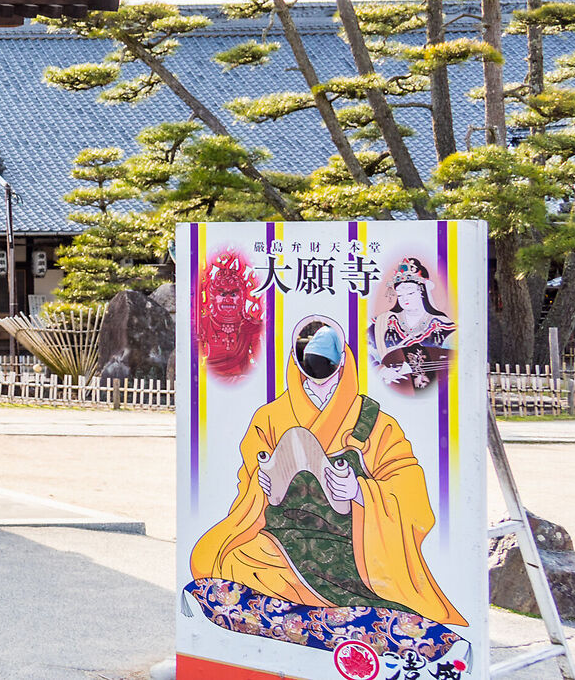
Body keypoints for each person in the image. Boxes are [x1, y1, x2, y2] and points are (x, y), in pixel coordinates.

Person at [190, 315, 463, 628]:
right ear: (295, 359)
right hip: (281, 540)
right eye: (310, 358)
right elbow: (248, 482)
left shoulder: (372, 420)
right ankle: (327, 613)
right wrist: (261, 484)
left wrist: (360, 491)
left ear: (343, 358)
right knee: (231, 559)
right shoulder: (270, 417)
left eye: (326, 359)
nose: (318, 368)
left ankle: (329, 609)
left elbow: (408, 483)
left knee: (374, 581)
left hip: (351, 546)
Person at [372, 256, 455, 392]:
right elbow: (365, 351)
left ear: (422, 292)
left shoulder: (443, 326)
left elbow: (456, 361)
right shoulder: (383, 323)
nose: (405, 298)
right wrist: (381, 370)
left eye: (410, 292)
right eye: (400, 295)